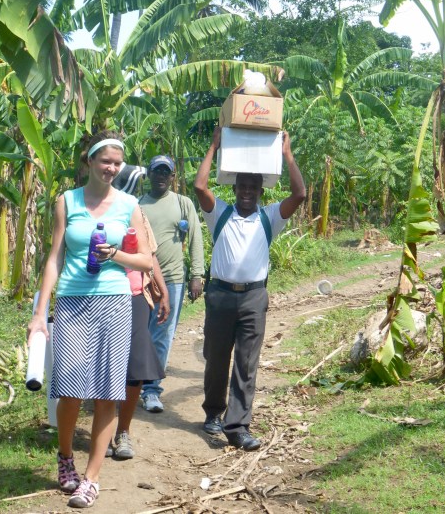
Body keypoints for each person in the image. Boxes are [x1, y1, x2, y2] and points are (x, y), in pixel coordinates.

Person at [28, 132, 153, 509]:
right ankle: (65, 457)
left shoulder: (130, 204)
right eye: (106, 161)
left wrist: (116, 254)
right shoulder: (67, 201)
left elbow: (146, 260)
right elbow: (54, 258)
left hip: (114, 303)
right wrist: (39, 312)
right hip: (72, 301)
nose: (112, 168)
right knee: (69, 388)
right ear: (90, 161)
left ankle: (92, 478)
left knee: (106, 394)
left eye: (118, 163)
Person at [193, 127, 305, 451]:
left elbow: (299, 195)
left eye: (251, 187)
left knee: (246, 363)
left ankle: (237, 426)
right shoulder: (221, 213)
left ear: (259, 191)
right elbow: (199, 185)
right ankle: (213, 412)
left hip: (254, 298)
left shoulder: (270, 218)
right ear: (235, 187)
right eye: (241, 186)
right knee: (216, 359)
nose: (245, 192)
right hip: (220, 296)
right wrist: (214, 146)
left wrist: (287, 155)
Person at [106, 165, 170, 460]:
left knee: (134, 369)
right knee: (104, 367)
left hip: (135, 296)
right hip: (102, 296)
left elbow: (150, 255)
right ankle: (104, 432)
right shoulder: (97, 212)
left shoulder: (137, 212)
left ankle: (123, 432)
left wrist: (162, 290)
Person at [137, 154, 205, 413]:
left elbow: (196, 237)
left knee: (162, 336)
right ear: (148, 175)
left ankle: (152, 390)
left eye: (166, 172)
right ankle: (133, 385)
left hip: (174, 280)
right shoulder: (137, 204)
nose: (161, 176)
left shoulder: (182, 203)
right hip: (142, 280)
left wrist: (197, 275)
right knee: (138, 334)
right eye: (157, 172)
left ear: (173, 177)